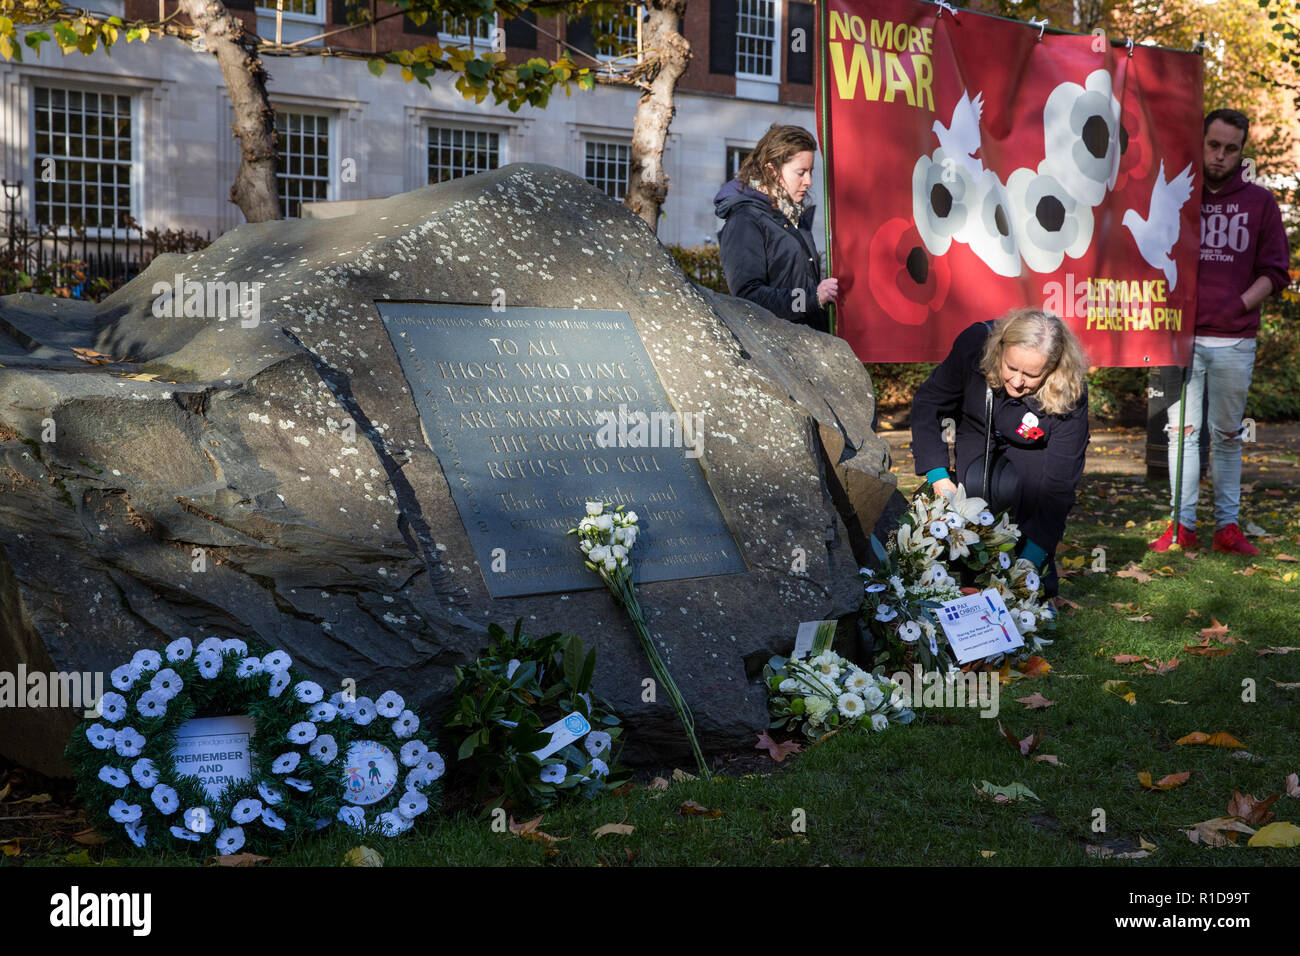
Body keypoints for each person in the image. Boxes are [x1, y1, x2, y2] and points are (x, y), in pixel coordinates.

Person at [1150, 109, 1292, 556]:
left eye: (1231, 148)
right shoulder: (1179, 197)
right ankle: (1182, 527)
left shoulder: (1260, 203)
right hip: (1181, 336)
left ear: (1241, 152)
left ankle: (1226, 528)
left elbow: (1276, 271)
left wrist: (1238, 303)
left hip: (1233, 340)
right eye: (1213, 145)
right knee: (1182, 434)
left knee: (1228, 435)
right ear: (1201, 142)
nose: (1220, 156)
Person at [910, 310, 1091, 596]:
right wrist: (938, 477)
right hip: (978, 428)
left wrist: (1029, 562)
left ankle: (1032, 579)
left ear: (1053, 369)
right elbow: (927, 405)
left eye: (1031, 375)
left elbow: (1059, 486)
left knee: (1025, 493)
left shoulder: (1071, 391)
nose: (1018, 382)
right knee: (976, 493)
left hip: (1033, 444)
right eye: (1011, 368)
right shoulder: (974, 344)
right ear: (1000, 350)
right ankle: (964, 584)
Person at [713, 125, 839, 332]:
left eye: (811, 172)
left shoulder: (795, 217)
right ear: (771, 171)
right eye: (801, 172)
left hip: (809, 347)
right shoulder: (744, 220)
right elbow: (748, 298)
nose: (808, 181)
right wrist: (812, 298)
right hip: (778, 354)